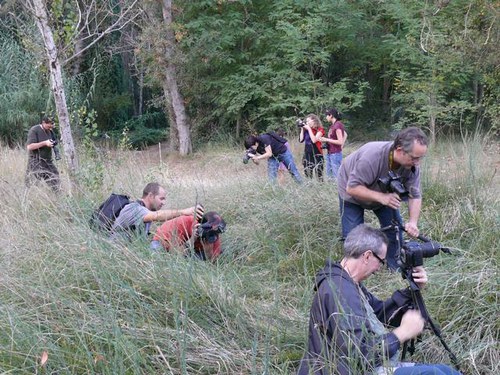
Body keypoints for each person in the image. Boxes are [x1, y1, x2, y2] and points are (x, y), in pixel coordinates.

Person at [298, 224, 462, 375]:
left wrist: (413, 289)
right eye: (381, 261)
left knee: (444, 370)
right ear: (367, 256)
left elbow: (379, 312)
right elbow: (359, 354)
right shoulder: (340, 290)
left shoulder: (348, 282)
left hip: (368, 366)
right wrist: (401, 334)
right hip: (349, 370)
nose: (379, 268)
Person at [337, 127, 428, 270]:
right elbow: (352, 188)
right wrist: (381, 197)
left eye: (420, 158)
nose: (418, 163)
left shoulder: (411, 166)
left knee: (394, 230)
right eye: (414, 158)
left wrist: (412, 222)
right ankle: (351, 273)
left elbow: (415, 195)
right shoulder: (372, 156)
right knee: (353, 236)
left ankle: (394, 266)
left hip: (385, 194)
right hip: (352, 191)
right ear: (399, 150)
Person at [111, 182, 203, 241]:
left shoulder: (145, 212)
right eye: (161, 199)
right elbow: (156, 216)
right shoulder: (134, 208)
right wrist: (184, 211)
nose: (164, 203)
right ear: (151, 196)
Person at [150, 211, 226, 261]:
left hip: (190, 251)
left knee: (201, 260)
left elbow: (214, 263)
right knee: (155, 256)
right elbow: (176, 255)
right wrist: (192, 239)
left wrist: (208, 253)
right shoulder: (181, 223)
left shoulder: (213, 235)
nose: (213, 236)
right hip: (164, 243)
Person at [25, 116, 61, 191]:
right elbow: (30, 147)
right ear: (43, 122)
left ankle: (56, 199)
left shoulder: (50, 131)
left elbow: (54, 141)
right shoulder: (34, 130)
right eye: (49, 125)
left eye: (52, 125)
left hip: (48, 162)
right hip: (35, 162)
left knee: (55, 180)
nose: (51, 127)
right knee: (33, 185)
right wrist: (45, 143)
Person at [319, 108, 347, 181]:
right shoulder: (333, 126)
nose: (326, 117)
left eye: (327, 115)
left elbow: (340, 141)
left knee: (336, 175)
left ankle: (339, 190)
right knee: (329, 174)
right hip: (330, 152)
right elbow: (345, 134)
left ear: (331, 115)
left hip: (335, 154)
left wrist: (326, 139)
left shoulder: (338, 125)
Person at [299, 114, 325, 181]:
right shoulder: (306, 130)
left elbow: (314, 140)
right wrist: (302, 129)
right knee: (307, 173)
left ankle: (320, 187)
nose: (307, 123)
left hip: (317, 153)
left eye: (308, 121)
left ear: (314, 120)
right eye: (306, 121)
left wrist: (309, 129)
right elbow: (301, 140)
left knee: (319, 174)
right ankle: (310, 187)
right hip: (307, 153)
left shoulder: (320, 129)